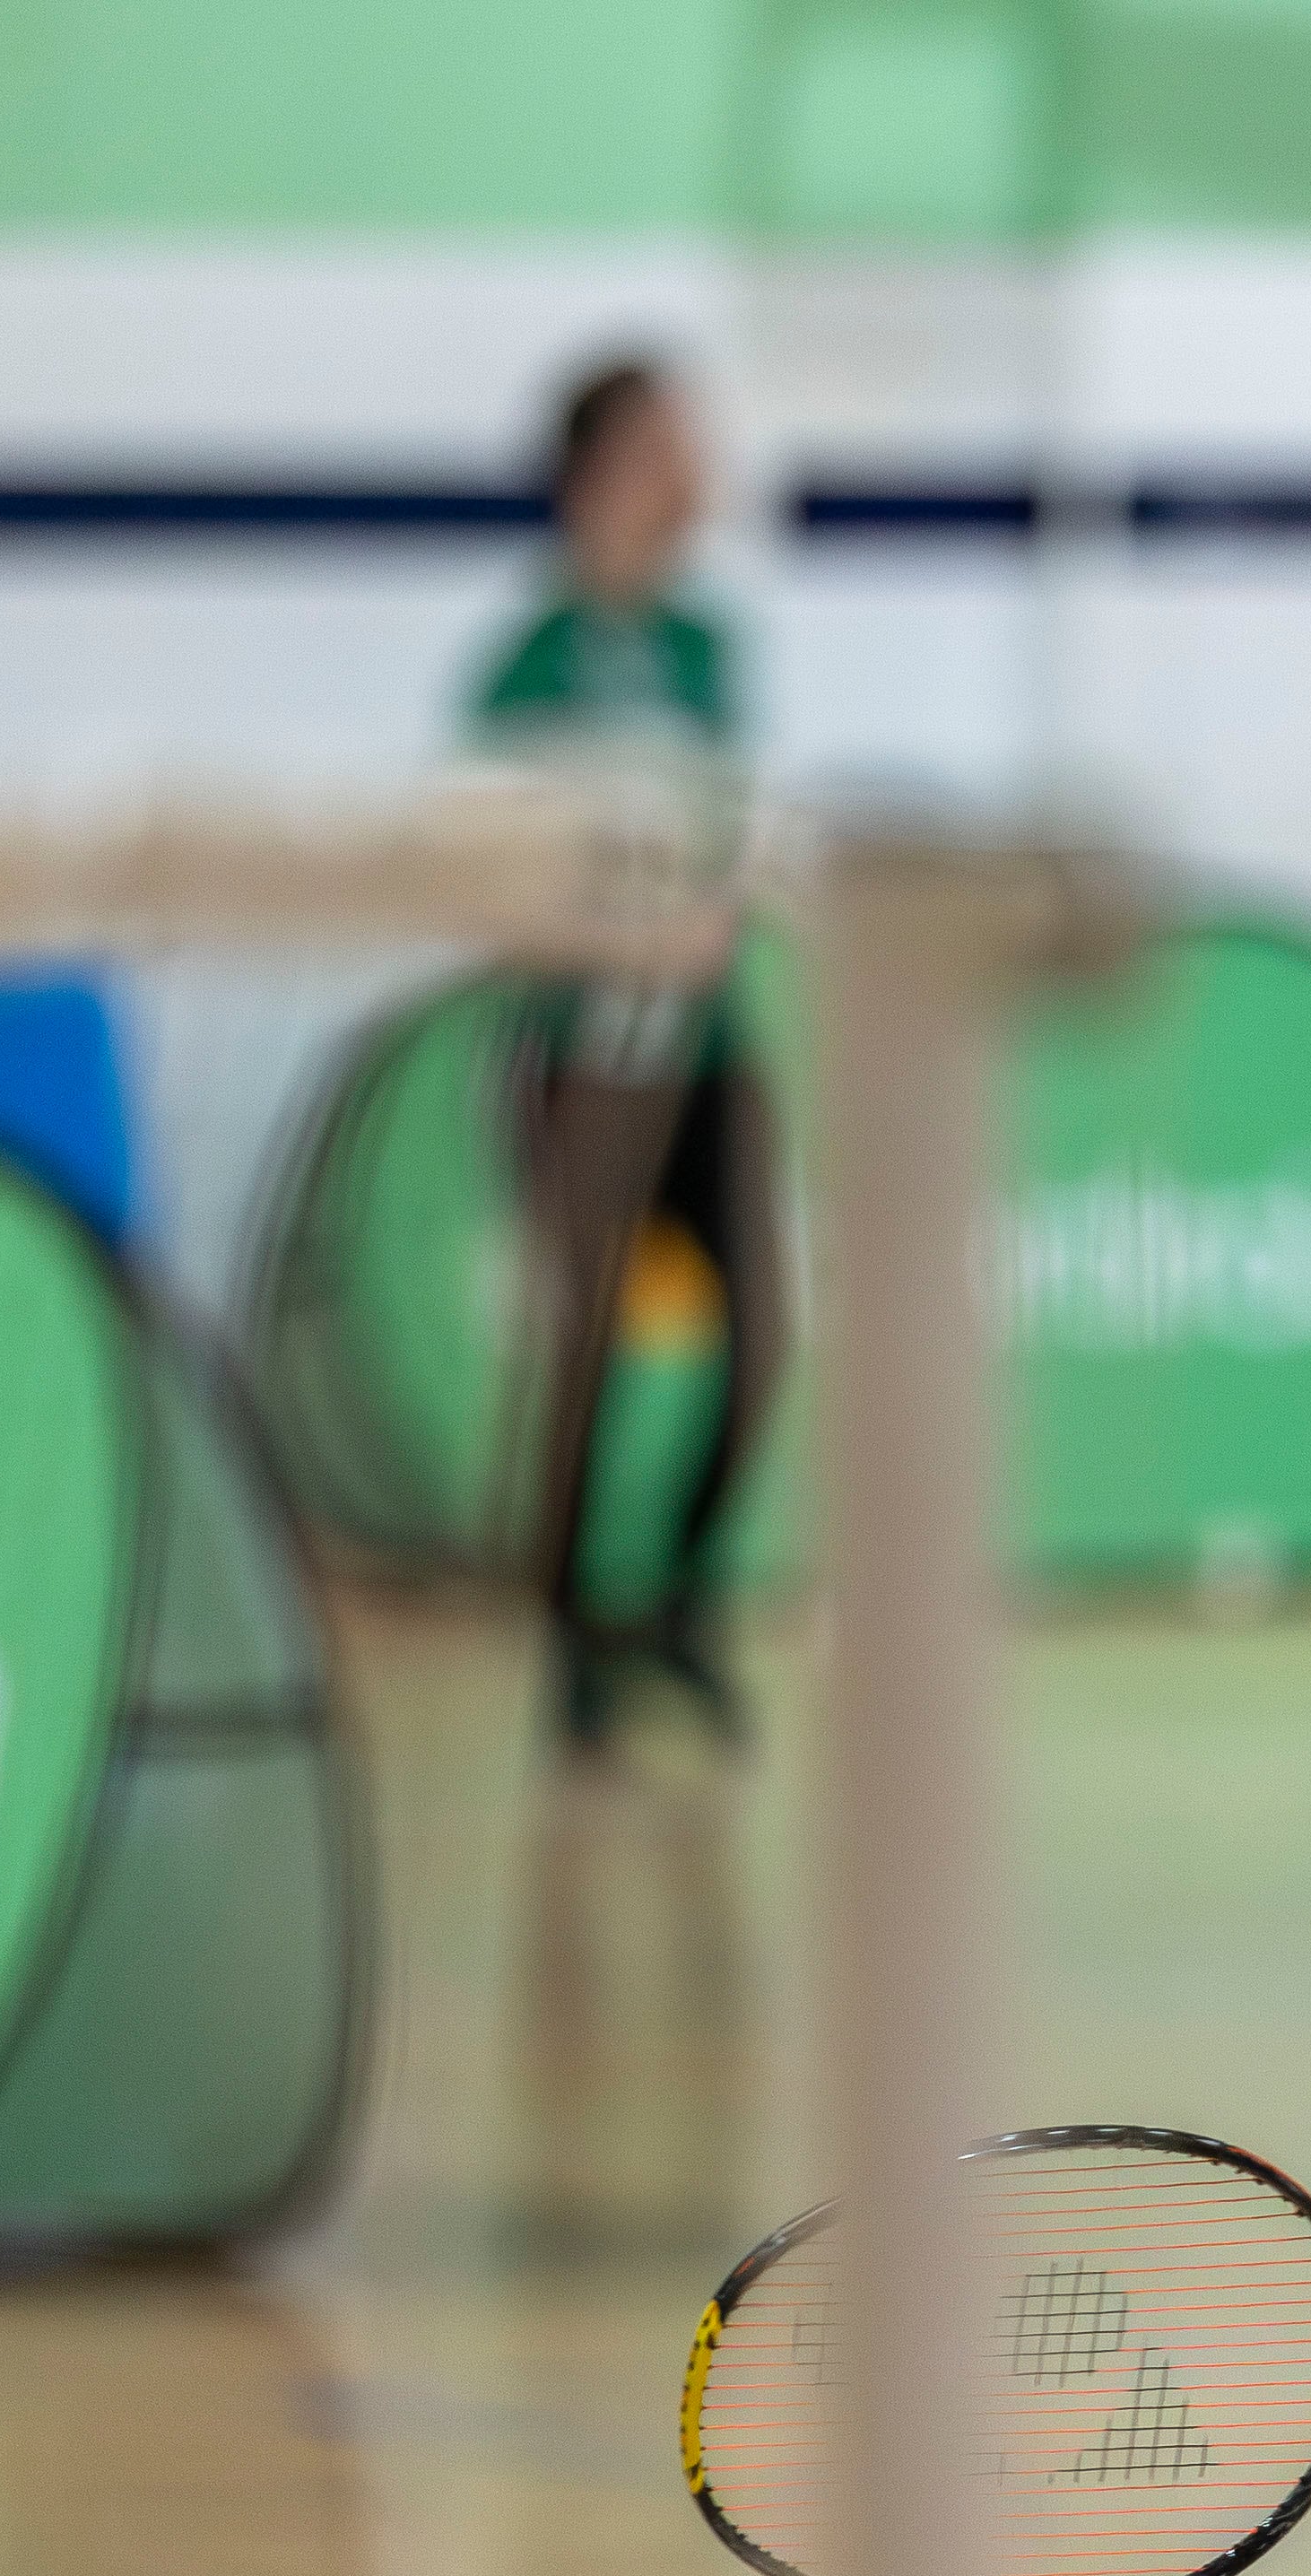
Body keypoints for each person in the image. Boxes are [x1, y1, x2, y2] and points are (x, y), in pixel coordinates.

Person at [472, 355, 785, 1751]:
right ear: (604, 462)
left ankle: (679, 1598)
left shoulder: (710, 650)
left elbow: (732, 832)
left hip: (711, 1041)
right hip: (586, 1047)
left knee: (760, 1338)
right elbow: (492, 861)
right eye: (672, 441)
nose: (697, 466)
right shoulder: (526, 661)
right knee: (585, 1346)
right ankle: (572, 1640)